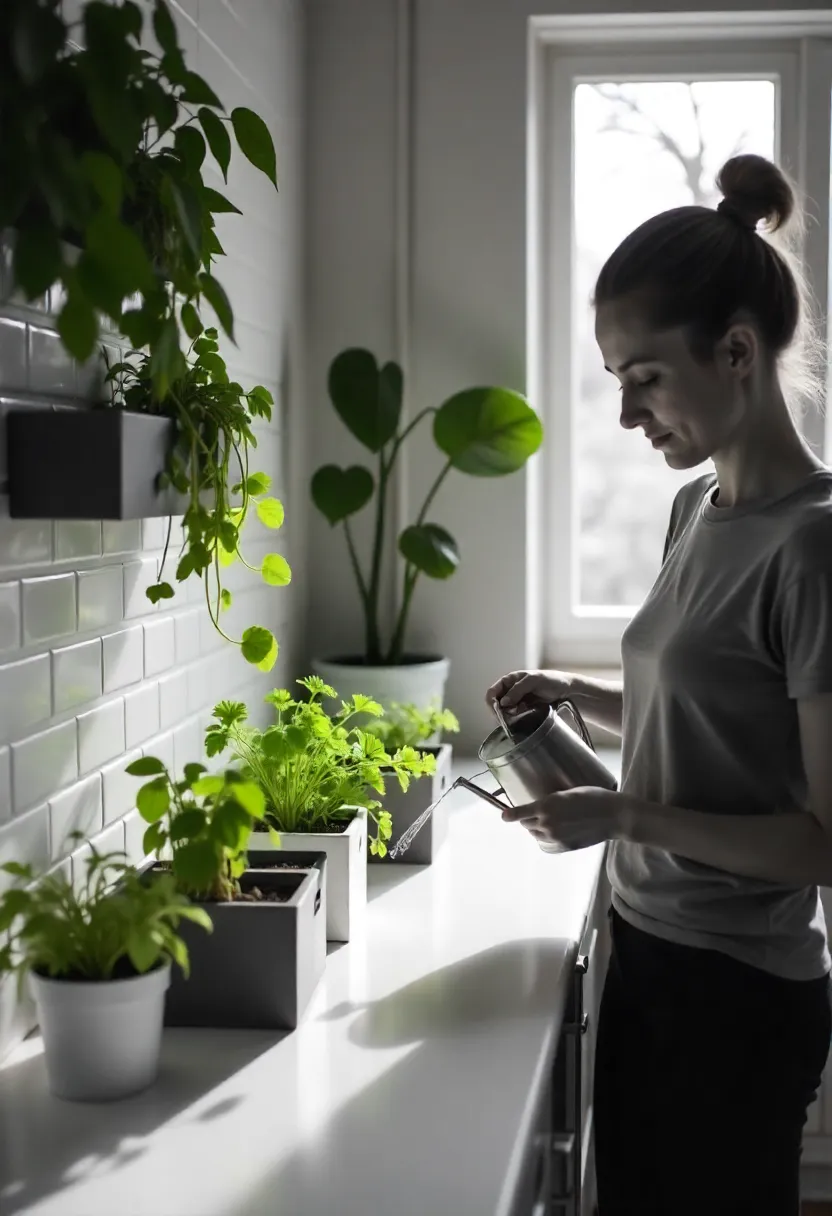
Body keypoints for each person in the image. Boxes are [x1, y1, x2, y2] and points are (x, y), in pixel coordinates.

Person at [487, 154, 832, 1216]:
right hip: (643, 943)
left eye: (643, 377)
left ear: (735, 351)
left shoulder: (812, 547)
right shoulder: (698, 513)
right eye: (615, 383)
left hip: (736, 991)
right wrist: (573, 694)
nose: (629, 415)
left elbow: (822, 840)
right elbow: (710, 718)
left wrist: (627, 810)